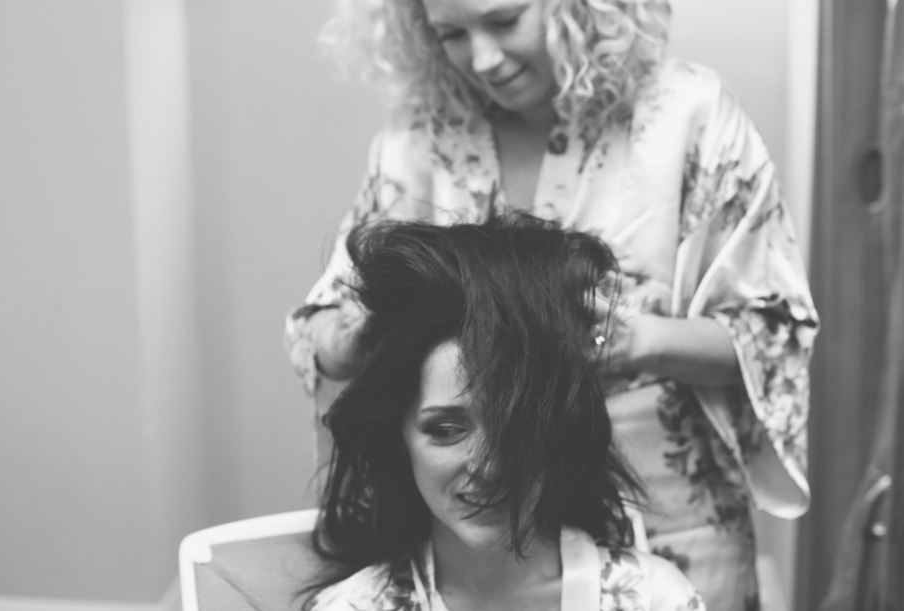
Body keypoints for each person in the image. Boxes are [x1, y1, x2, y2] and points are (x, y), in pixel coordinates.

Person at [290, 1, 816, 608]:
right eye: (452, 34)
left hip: (671, 518)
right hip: (472, 546)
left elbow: (775, 333)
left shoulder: (687, 116)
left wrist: (640, 342)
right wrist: (370, 336)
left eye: (505, 20)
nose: (483, 59)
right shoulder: (421, 135)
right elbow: (317, 331)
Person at [304, 216, 704, 611]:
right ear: (398, 436)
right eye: (446, 429)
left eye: (516, 422)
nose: (490, 466)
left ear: (558, 426)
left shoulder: (655, 599)